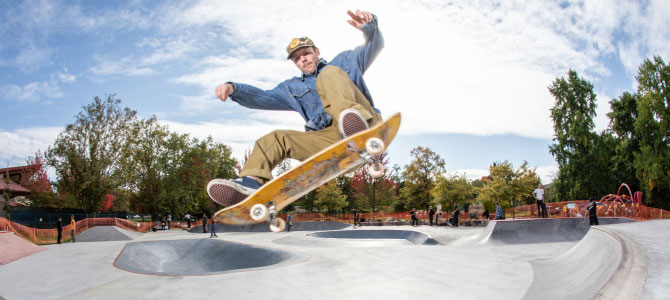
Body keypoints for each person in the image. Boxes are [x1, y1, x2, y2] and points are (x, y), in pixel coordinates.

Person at [207, 9, 384, 207]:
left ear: (316, 52)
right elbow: (262, 97)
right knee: (275, 139)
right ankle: (251, 184)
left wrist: (369, 28)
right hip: (331, 142)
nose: (303, 59)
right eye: (297, 58)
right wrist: (234, 89)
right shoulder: (291, 89)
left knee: (329, 74)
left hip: (365, 126)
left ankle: (352, 130)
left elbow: (374, 45)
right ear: (294, 63)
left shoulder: (346, 61)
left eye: (306, 54)